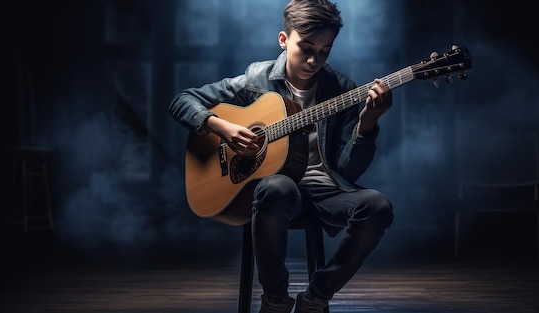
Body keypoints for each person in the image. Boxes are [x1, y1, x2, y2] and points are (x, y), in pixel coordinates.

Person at [169, 0, 394, 312]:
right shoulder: (254, 80)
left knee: (378, 207)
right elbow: (183, 101)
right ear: (284, 39)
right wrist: (223, 129)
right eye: (306, 47)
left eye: (325, 50)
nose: (315, 59)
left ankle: (316, 297)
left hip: (323, 189)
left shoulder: (342, 89)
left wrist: (367, 125)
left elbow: (347, 169)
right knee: (277, 187)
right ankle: (275, 299)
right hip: (273, 190)